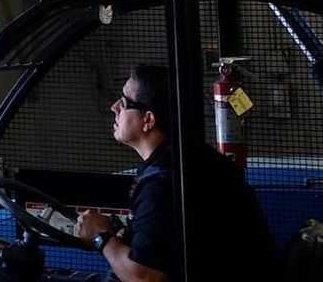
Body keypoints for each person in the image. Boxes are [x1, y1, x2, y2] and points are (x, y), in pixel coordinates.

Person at [75, 64, 277, 282]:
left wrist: (101, 238)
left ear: (148, 120)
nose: (114, 107)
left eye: (124, 103)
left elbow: (145, 277)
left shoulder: (164, 181)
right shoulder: (186, 158)